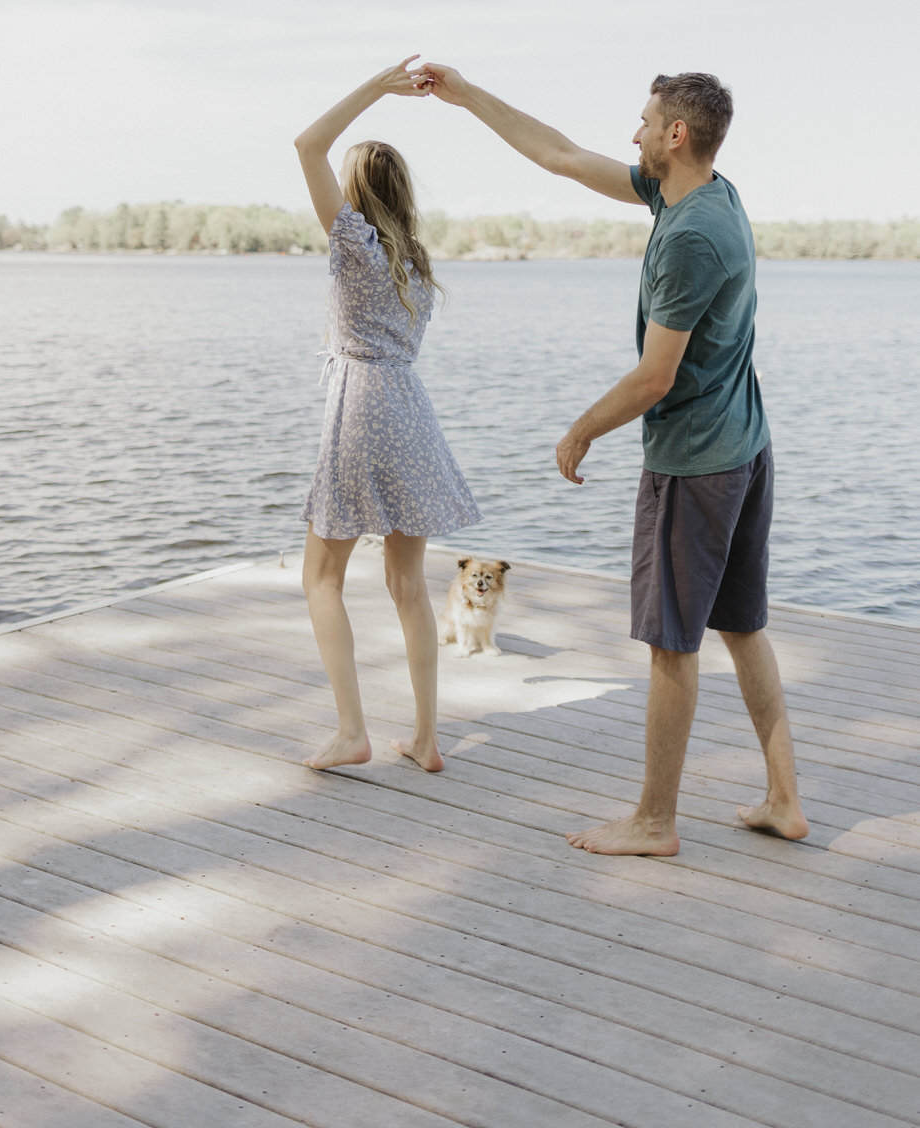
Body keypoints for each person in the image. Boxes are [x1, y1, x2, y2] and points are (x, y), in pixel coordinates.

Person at [416, 62, 808, 855]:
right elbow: (559, 154)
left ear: (675, 134)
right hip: (744, 447)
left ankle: (654, 821)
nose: (630, 135)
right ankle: (783, 801)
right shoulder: (705, 192)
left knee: (671, 644)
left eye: (642, 122)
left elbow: (655, 375)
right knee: (741, 627)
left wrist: (579, 430)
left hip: (695, 464)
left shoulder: (692, 236)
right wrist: (466, 95)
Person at [294, 57, 481, 773]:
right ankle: (427, 739)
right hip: (410, 409)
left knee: (321, 578)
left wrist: (375, 86)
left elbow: (304, 145)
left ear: (354, 193)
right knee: (408, 585)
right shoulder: (414, 264)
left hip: (360, 406)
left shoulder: (353, 245)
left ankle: (352, 732)